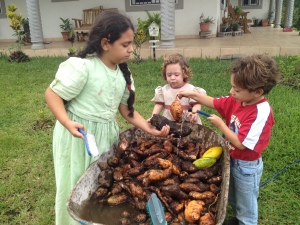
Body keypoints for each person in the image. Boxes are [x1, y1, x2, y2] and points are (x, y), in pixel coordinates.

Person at [45, 11, 170, 225]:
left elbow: (125, 110)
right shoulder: (83, 67)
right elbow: (52, 94)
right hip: (79, 136)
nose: (131, 49)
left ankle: (95, 219)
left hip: (105, 136)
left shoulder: (123, 73)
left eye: (132, 44)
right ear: (105, 43)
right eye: (125, 44)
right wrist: (67, 122)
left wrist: (148, 128)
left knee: (102, 183)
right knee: (75, 183)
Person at [178, 54, 280, 225]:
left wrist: (221, 125)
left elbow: (241, 143)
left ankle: (246, 221)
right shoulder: (238, 100)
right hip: (231, 157)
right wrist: (191, 94)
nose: (231, 92)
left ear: (258, 92)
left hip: (246, 166)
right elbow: (212, 102)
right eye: (232, 87)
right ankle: (239, 218)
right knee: (231, 193)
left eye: (237, 90)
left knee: (246, 201)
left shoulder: (260, 112)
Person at [150, 53, 206, 124]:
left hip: (189, 122)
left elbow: (196, 104)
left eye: (176, 75)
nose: (172, 78)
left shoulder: (190, 89)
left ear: (184, 74)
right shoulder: (163, 90)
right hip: (170, 122)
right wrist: (153, 117)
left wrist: (194, 113)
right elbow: (159, 104)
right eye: (169, 75)